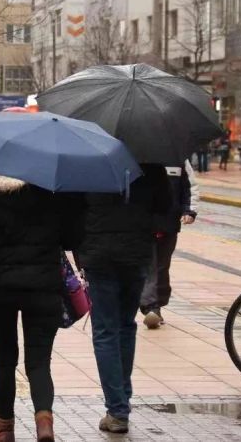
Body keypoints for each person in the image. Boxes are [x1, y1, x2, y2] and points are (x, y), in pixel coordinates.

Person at [0, 171, 82, 442]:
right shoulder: (54, 189)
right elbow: (71, 238)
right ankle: (44, 423)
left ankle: (5, 428)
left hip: (0, 289)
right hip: (44, 286)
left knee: (6, 359)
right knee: (39, 361)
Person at [78, 164, 170, 434]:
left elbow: (73, 210)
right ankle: (121, 403)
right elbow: (165, 206)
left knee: (106, 330)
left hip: (98, 254)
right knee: (126, 326)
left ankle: (117, 410)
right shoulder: (150, 163)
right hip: (136, 253)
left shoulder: (89, 162)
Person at [140, 161, 197, 329]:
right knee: (151, 265)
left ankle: (158, 302)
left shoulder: (179, 159)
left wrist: (189, 210)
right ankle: (151, 307)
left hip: (169, 224)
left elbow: (189, 188)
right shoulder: (140, 159)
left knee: (163, 266)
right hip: (144, 223)